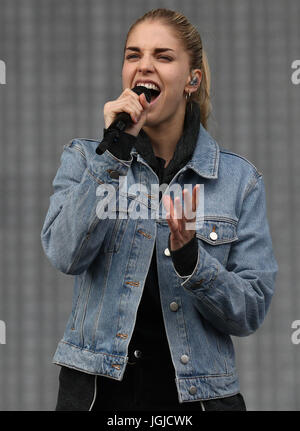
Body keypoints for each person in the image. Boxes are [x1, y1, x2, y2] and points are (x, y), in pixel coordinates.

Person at [41, 8, 278, 411]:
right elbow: (65, 254)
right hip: (99, 393)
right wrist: (112, 154)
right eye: (133, 55)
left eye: (163, 57)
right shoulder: (86, 160)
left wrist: (191, 260)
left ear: (192, 80)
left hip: (198, 398)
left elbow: (250, 310)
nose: (143, 66)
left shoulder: (239, 181)